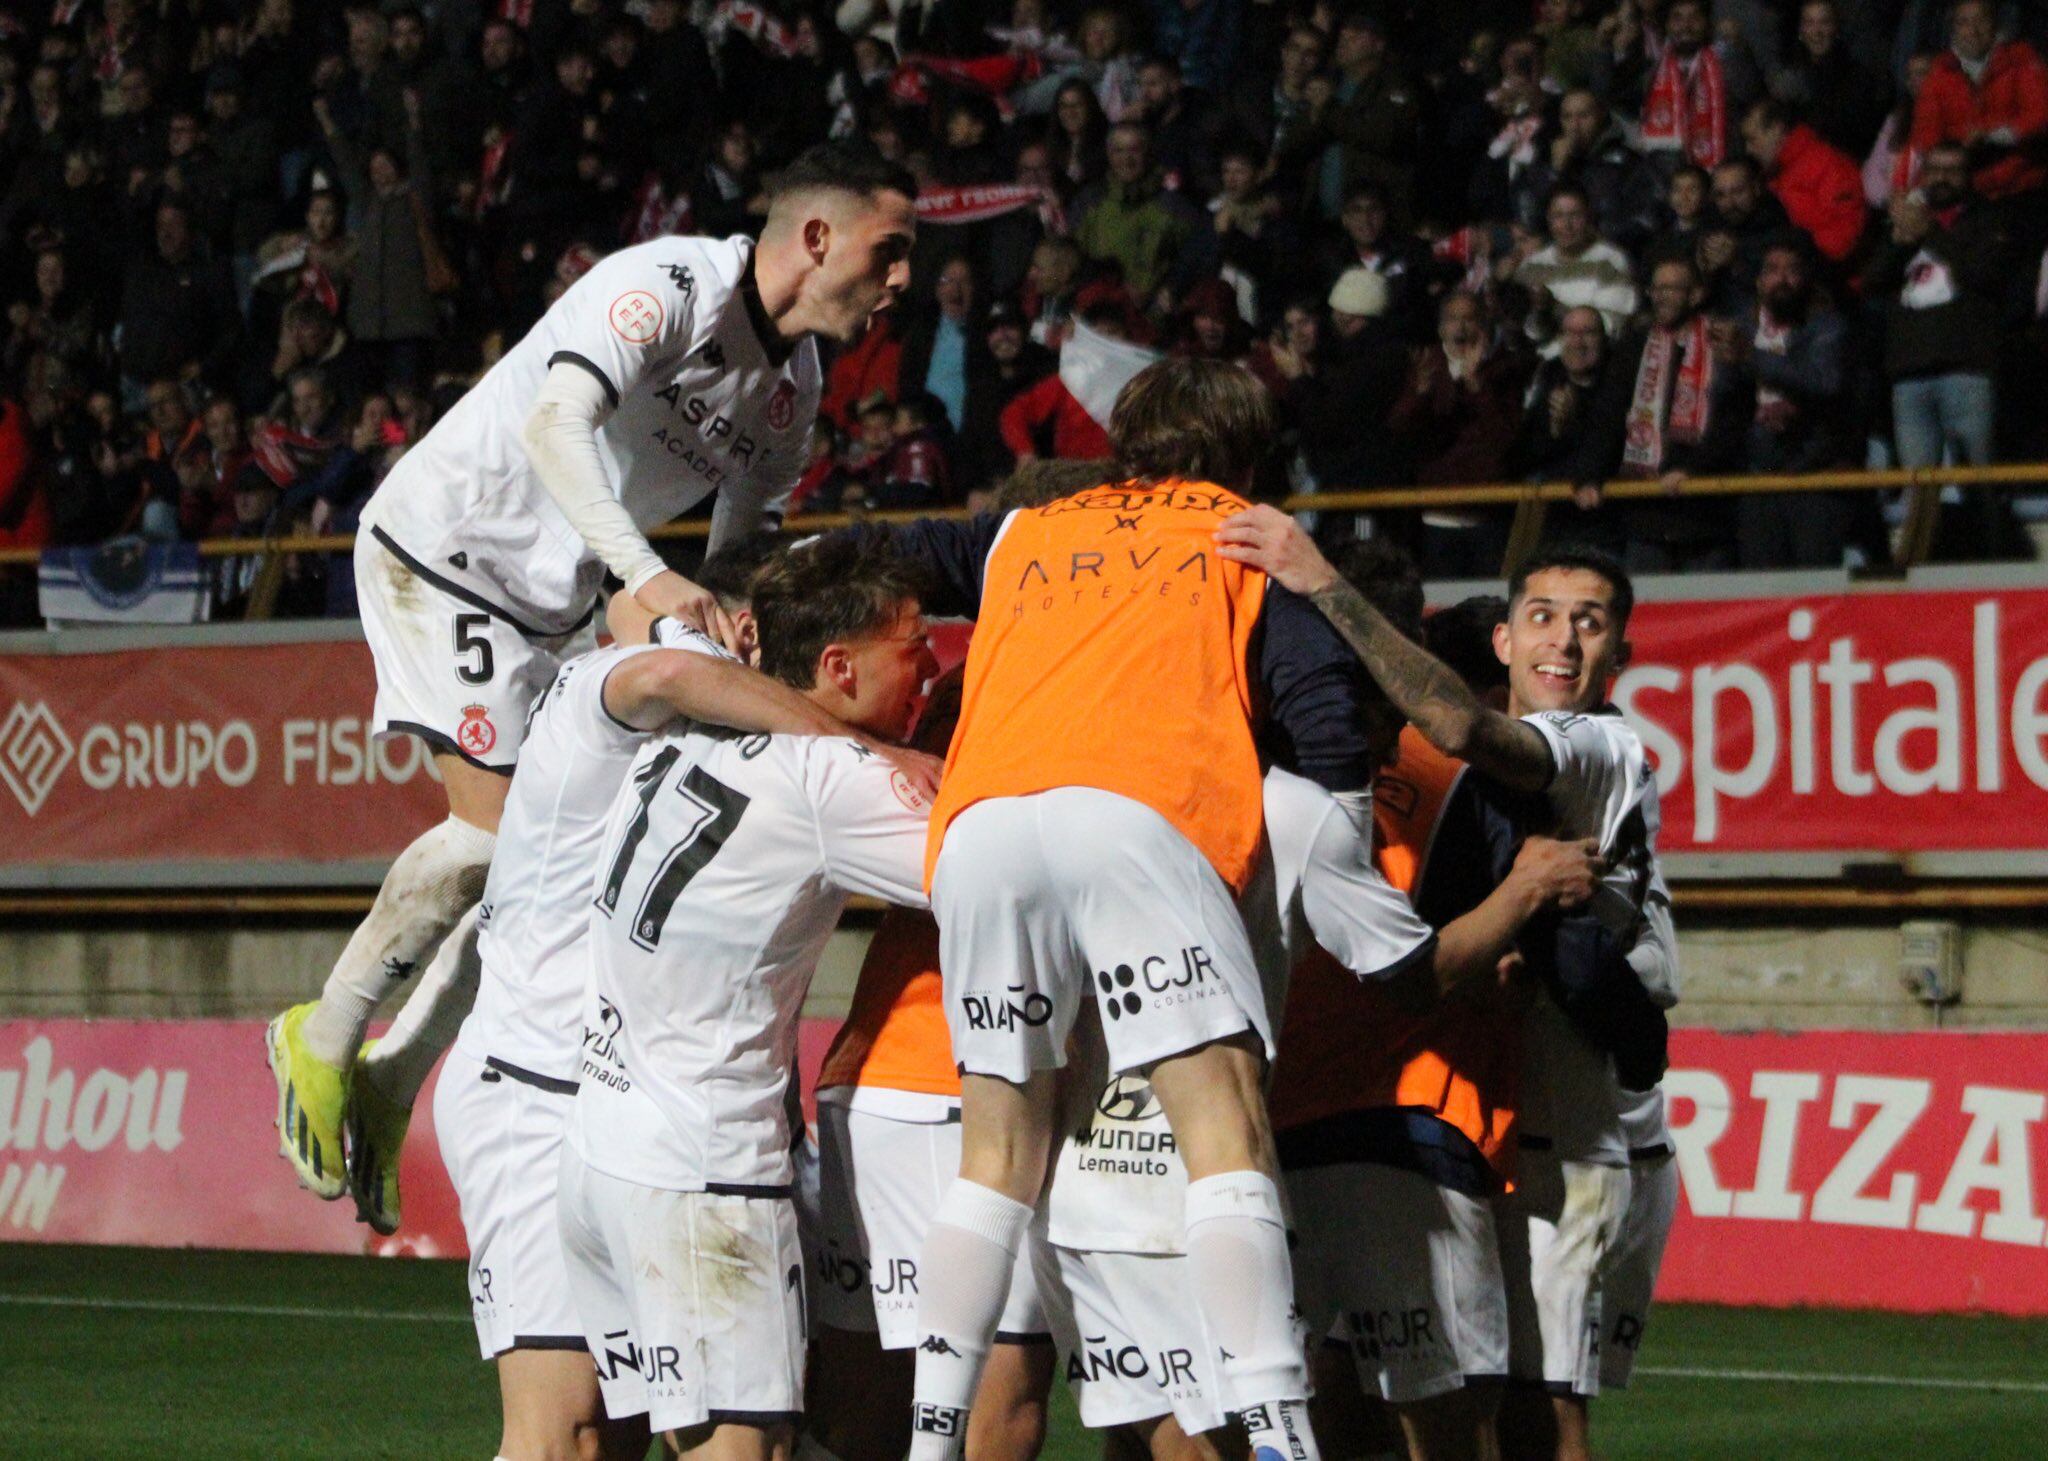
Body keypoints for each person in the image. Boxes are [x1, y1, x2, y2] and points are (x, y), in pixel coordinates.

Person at [264, 143, 919, 1212]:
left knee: (549, 867)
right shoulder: (665, 286)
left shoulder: (790, 392)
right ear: (815, 238)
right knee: (489, 835)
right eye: (887, 252)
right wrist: (650, 578)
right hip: (448, 546)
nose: (900, 281)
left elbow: (736, 565)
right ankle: (324, 1030)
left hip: (552, 603)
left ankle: (393, 1077)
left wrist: (748, 652)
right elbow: (552, 427)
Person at [891, 359, 1390, 1461]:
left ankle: (928, 1444)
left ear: (1125, 440)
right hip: (1133, 815)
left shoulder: (1020, 529)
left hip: (979, 828)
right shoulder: (1241, 533)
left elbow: (877, 552)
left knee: (995, 1160)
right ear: (1250, 454)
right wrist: (1337, 832)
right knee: (1225, 1131)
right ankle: (1279, 1434)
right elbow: (1323, 716)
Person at [426, 550, 927, 1460]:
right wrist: (881, 753)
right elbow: (988, 869)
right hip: (575, 1107)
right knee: (590, 1439)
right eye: (915, 649)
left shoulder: (679, 725)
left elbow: (639, 619)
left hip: (602, 1125)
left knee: (611, 1438)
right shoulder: (675, 705)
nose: (930, 668)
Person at [1212, 519, 1677, 1461]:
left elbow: (1463, 730)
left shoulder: (1591, 745)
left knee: (1531, 1410)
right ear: (1504, 643)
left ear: (1621, 654)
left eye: (1589, 623)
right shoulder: (1384, 772)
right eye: (1542, 616)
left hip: (1566, 1124)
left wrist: (1319, 580)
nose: (1564, 639)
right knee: (1353, 1392)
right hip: (1444, 1113)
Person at [807, 665, 1055, 1461]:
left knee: (860, 1396)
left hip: (868, 1081)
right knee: (999, 1378)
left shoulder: (955, 700)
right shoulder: (1049, 703)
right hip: (978, 1093)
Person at [1568, 256, 1752, 571]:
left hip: (1704, 512)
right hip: (1646, 513)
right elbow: (1609, 414)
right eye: (1657, 288)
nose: (1662, 296)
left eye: (1672, 288)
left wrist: (1692, 469)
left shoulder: (1721, 345)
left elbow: (1732, 421)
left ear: (1695, 295)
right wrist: (1589, 474)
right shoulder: (1637, 344)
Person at [1722, 237, 1853, 566]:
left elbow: (1825, 383)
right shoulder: (1740, 327)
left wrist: (1751, 358)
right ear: (1758, 280)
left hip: (1811, 475)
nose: (1782, 279)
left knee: (1815, 585)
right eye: (1772, 270)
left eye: (1792, 270)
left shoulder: (1827, 327)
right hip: (1757, 476)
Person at [1741, 99, 1868, 266]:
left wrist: (1797, 250)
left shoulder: (1828, 164)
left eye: (1752, 139)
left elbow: (1844, 237)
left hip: (1825, 272)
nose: (1748, 150)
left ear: (1776, 130)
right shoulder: (1773, 174)